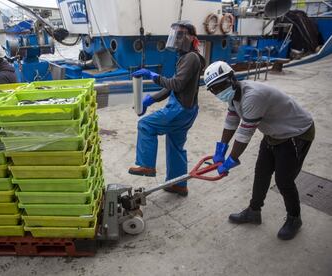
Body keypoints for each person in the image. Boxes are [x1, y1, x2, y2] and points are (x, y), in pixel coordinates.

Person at [204, 61, 315, 240]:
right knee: (261, 172)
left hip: (297, 132)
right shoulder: (234, 95)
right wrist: (220, 149)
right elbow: (231, 121)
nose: (218, 92)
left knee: (284, 180)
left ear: (232, 79)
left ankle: (295, 218)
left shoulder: (253, 96)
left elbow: (244, 134)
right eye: (213, 90)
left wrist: (230, 161)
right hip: (274, 133)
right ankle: (254, 212)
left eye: (220, 86)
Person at [128, 20, 205, 196]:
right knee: (175, 146)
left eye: (180, 35)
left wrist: (152, 75)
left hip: (178, 111)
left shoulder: (191, 57)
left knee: (146, 125)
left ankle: (146, 165)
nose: (176, 39)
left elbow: (176, 85)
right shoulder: (186, 57)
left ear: (191, 38)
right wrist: (151, 100)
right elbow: (172, 86)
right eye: (174, 35)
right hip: (187, 111)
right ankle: (178, 184)